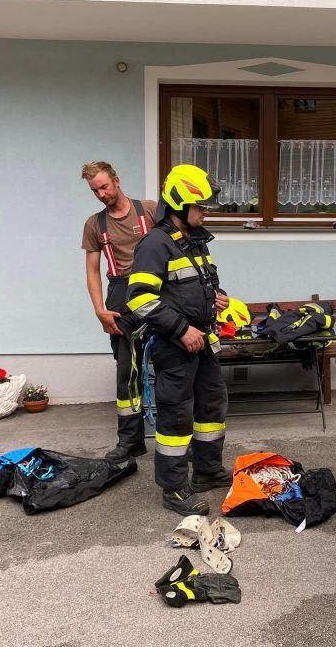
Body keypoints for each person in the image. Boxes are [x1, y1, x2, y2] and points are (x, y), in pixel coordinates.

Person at [125, 164, 231, 516]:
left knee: (211, 406)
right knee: (176, 416)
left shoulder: (194, 240)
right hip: (175, 344)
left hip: (203, 341)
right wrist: (181, 330)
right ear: (180, 205)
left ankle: (207, 471)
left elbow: (199, 283)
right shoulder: (155, 244)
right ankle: (173, 488)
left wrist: (217, 297)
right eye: (200, 206)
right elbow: (139, 298)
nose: (205, 212)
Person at [80, 161, 157, 463]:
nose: (101, 194)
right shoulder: (94, 224)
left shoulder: (149, 210)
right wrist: (99, 310)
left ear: (117, 180)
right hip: (120, 296)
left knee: (170, 368)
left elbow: (178, 247)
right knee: (127, 373)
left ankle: (179, 438)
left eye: (104, 187)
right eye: (95, 191)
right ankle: (130, 441)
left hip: (157, 290)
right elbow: (92, 270)